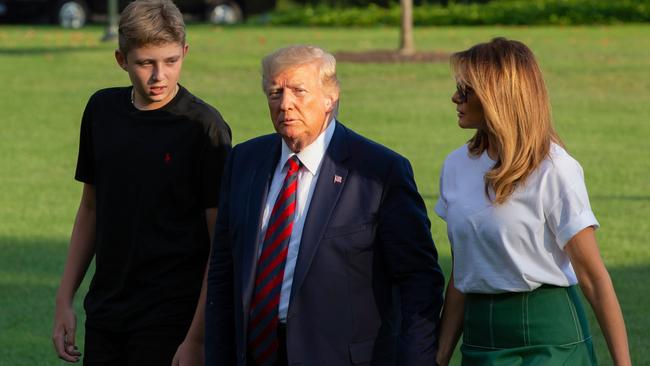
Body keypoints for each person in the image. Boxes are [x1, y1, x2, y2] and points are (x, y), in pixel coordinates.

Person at [205, 44, 445, 366]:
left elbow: (419, 280)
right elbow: (224, 271)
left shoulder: (378, 171)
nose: (285, 104)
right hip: (256, 352)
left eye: (298, 91)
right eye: (275, 93)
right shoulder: (245, 162)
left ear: (330, 98)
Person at [51, 0, 232, 364]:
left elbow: (221, 244)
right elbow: (91, 207)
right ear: (121, 59)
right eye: (145, 63)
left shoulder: (205, 129)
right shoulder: (101, 111)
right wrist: (64, 300)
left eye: (171, 61)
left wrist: (196, 338)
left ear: (185, 52)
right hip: (106, 312)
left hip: (172, 319)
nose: (159, 76)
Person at [434, 37, 631, 366]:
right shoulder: (456, 166)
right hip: (481, 338)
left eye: (465, 90)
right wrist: (439, 357)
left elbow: (594, 278)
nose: (455, 97)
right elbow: (462, 272)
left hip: (550, 338)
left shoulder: (555, 170)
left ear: (498, 96)